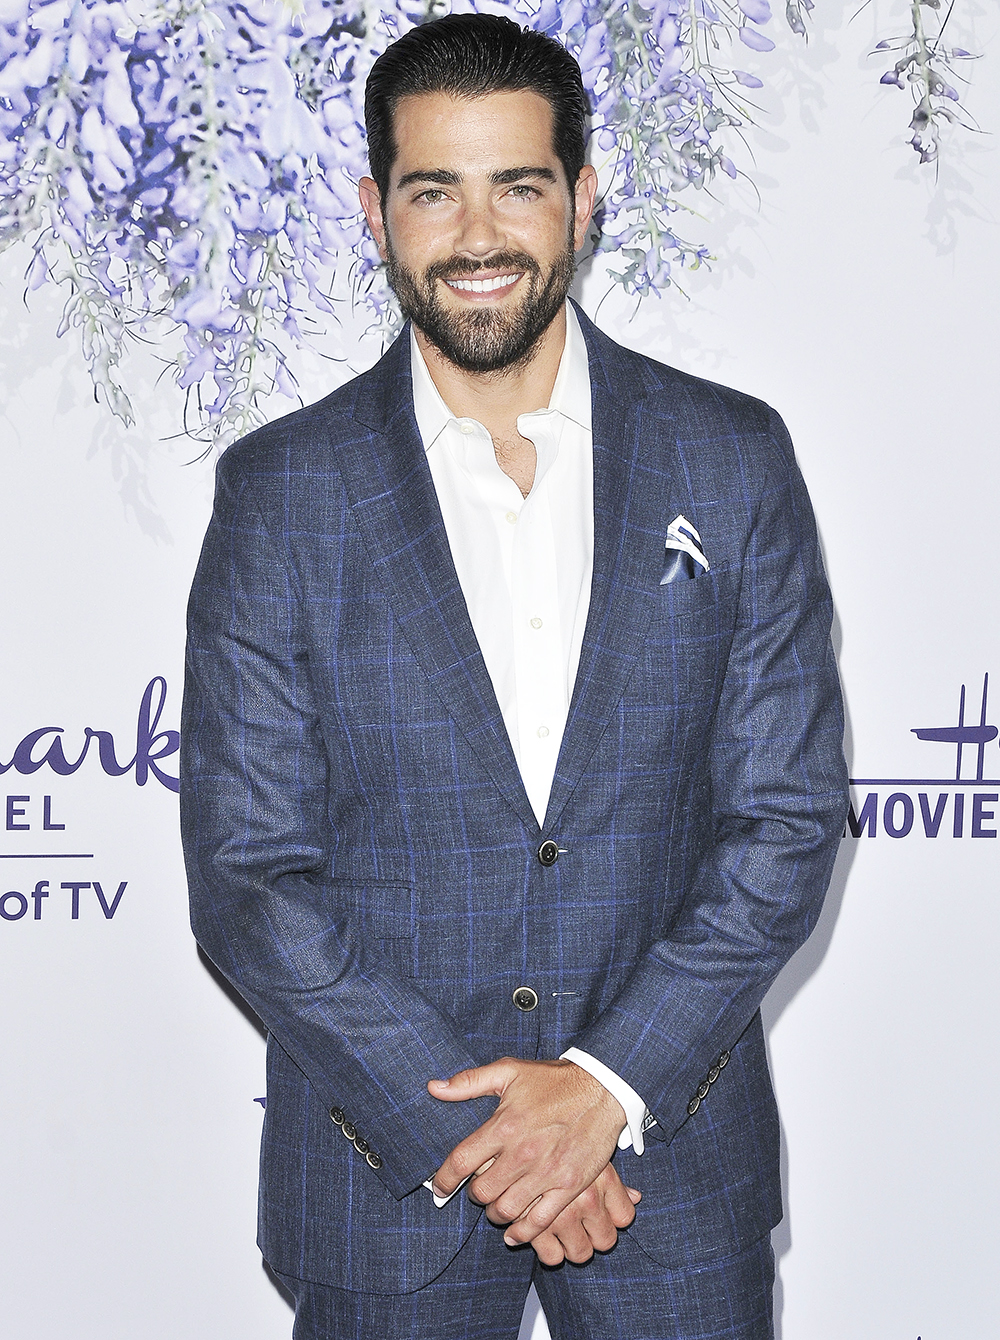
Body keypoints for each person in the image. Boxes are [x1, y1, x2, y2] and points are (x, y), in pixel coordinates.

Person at [181, 14, 848, 1339]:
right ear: (376, 211)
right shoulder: (281, 494)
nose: (477, 237)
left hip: (672, 1161)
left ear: (583, 199)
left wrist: (604, 1088)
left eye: (519, 186)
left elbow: (783, 818)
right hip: (387, 1181)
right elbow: (249, 876)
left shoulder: (730, 457)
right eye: (435, 191)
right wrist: (494, 1131)